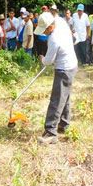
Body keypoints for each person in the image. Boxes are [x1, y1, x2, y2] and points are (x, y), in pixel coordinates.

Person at [36, 11, 78, 145]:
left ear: (50, 27)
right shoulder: (60, 21)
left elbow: (48, 61)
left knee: (56, 99)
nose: (44, 33)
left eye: (45, 30)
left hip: (64, 68)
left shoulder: (54, 39)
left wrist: (42, 59)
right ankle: (64, 125)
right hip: (72, 65)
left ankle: (51, 132)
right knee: (64, 96)